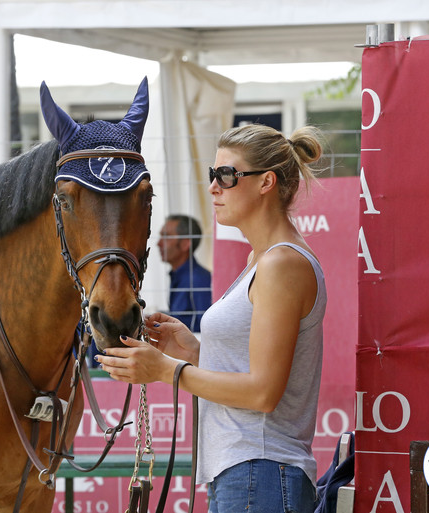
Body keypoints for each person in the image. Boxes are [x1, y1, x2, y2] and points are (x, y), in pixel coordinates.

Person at [96, 123, 326, 513]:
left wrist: (165, 369)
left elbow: (263, 393)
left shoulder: (282, 263)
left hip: (260, 470)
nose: (213, 187)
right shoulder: (263, 260)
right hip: (247, 471)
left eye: (226, 175)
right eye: (211, 175)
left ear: (266, 182)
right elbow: (253, 374)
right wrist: (193, 351)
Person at [158, 215, 212, 332]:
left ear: (185, 244)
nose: (159, 243)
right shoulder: (180, 275)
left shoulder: (199, 280)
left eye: (166, 236)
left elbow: (207, 327)